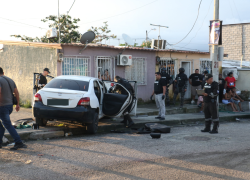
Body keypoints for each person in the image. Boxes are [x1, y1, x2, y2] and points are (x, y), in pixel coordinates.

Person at [0, 67, 27, 150]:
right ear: (3, 72)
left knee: (7, 125)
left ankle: (18, 142)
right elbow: (16, 92)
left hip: (2, 106)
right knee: (3, 125)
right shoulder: (10, 80)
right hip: (9, 106)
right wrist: (18, 104)